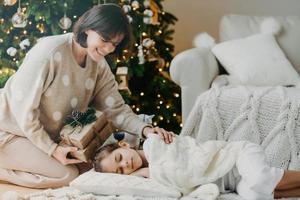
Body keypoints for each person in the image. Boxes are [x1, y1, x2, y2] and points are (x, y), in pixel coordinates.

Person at [0, 3, 174, 189]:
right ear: (88, 28)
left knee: (89, 170)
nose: (108, 49)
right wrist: (52, 149)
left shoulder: (98, 64)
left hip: (36, 136)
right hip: (9, 130)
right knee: (67, 176)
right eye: (104, 39)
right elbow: (23, 111)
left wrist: (146, 129)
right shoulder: (49, 52)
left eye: (114, 44)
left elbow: (115, 108)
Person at [94, 134, 300, 200]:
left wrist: (151, 172)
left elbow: (183, 164)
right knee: (257, 196)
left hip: (235, 157)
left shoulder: (153, 143)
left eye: (119, 158)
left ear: (123, 145)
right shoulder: (147, 179)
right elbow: (178, 189)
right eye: (120, 170)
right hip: (233, 182)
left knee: (260, 179)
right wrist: (146, 175)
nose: (125, 164)